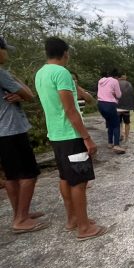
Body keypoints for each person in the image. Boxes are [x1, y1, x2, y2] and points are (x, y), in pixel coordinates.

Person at [35, 36, 106, 240]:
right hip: (70, 135)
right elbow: (70, 109)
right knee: (80, 182)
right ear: (65, 53)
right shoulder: (62, 73)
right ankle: (84, 227)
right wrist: (87, 138)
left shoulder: (41, 73)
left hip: (55, 135)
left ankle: (72, 219)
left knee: (65, 177)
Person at [0, 36, 47, 233]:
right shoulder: (2, 73)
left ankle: (20, 213)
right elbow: (30, 94)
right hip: (11, 130)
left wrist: (18, 95)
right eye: (5, 49)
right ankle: (20, 220)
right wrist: (20, 89)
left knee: (12, 175)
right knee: (29, 174)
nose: (7, 53)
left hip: (2, 132)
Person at [97, 68, 125, 154]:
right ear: (116, 76)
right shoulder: (114, 81)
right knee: (116, 124)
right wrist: (114, 94)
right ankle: (116, 145)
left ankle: (110, 143)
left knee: (109, 123)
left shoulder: (101, 80)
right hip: (110, 104)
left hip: (100, 104)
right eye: (119, 78)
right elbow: (119, 95)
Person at [117, 74, 134, 143]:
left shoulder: (116, 83)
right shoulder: (129, 84)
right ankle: (126, 138)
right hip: (126, 108)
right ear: (125, 77)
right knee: (127, 123)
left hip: (117, 108)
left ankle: (119, 136)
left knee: (118, 123)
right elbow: (133, 95)